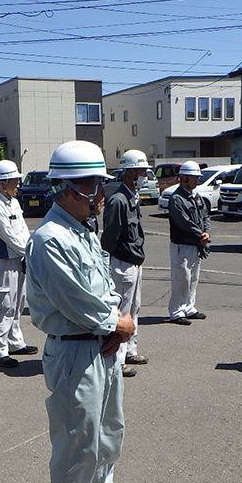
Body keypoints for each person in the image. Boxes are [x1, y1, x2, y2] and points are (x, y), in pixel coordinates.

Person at [26, 140, 138, 483]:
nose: (101, 193)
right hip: (75, 350)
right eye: (93, 184)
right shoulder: (51, 238)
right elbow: (78, 301)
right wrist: (118, 323)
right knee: (77, 440)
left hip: (100, 345)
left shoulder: (80, 230)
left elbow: (103, 288)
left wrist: (115, 324)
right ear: (70, 188)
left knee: (108, 428)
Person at [101, 149, 151, 379]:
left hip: (134, 262)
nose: (145, 175)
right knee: (122, 312)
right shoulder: (118, 200)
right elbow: (110, 238)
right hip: (122, 263)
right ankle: (117, 361)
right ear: (130, 172)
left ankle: (130, 350)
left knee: (135, 308)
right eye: (142, 171)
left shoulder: (132, 195)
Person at [0, 159, 37, 368]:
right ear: (2, 183)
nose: (19, 185)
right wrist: (30, 253)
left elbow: (22, 231)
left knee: (17, 303)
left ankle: (15, 342)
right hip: (3, 262)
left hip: (18, 259)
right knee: (3, 305)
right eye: (15, 181)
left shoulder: (13, 202)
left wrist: (29, 250)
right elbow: (9, 237)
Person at [167, 161, 211, 325]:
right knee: (181, 279)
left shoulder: (197, 197)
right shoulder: (177, 198)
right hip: (182, 245)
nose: (197, 180)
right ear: (183, 178)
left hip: (196, 244)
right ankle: (176, 311)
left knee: (193, 278)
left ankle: (189, 308)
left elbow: (205, 216)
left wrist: (206, 233)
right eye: (194, 177)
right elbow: (183, 222)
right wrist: (200, 234)